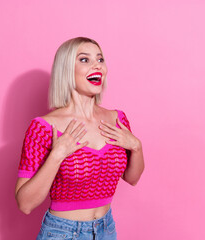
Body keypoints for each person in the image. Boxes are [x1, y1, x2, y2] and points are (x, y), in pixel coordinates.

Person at [15, 37, 145, 240]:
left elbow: (132, 178)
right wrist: (57, 155)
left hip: (106, 229)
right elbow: (25, 204)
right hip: (62, 233)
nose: (97, 65)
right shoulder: (43, 127)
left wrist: (136, 146)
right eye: (85, 60)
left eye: (100, 59)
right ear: (66, 70)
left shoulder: (117, 119)